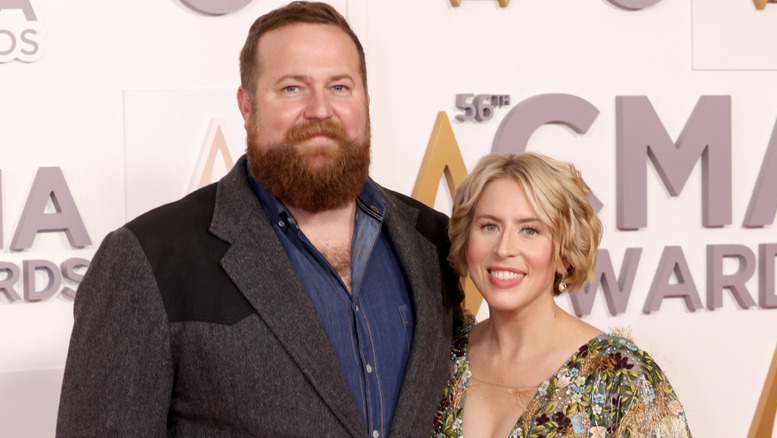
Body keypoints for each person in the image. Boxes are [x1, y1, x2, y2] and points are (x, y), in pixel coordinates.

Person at [56, 2, 463, 437]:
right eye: (292, 88)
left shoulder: (433, 240)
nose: (321, 110)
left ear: (365, 98)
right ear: (246, 106)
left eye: (340, 87)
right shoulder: (149, 260)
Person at [432, 152, 691, 438]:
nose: (504, 248)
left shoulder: (620, 379)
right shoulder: (438, 358)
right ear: (467, 241)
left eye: (529, 230)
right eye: (489, 226)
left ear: (564, 255)